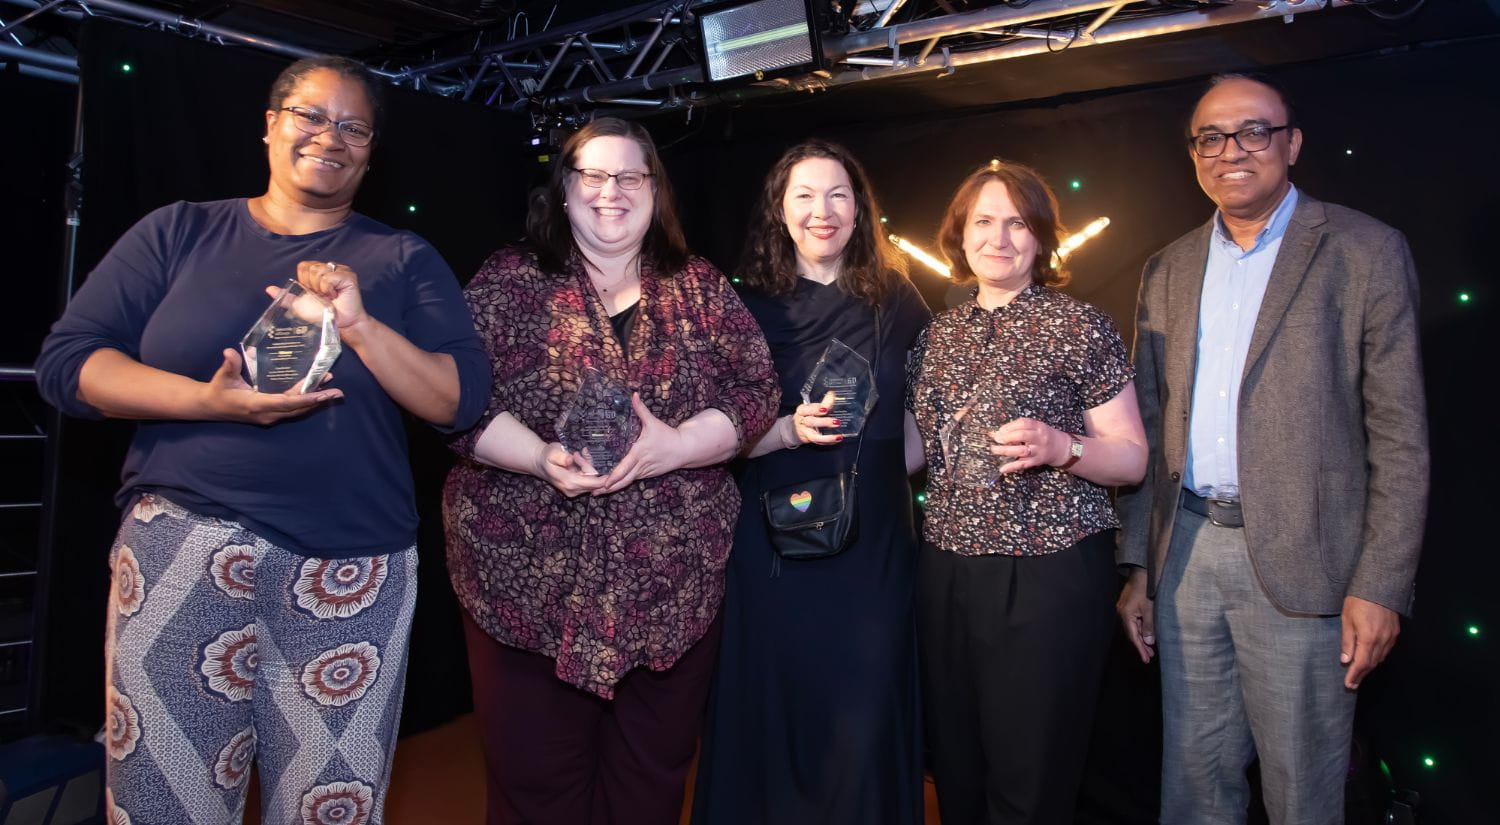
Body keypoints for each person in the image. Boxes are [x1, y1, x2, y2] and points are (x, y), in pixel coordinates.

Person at [33, 56, 489, 825]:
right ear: (271, 125)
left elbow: (460, 401)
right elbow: (69, 364)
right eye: (311, 115)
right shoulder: (179, 231)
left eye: (354, 127)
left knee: (328, 809)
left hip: (353, 568)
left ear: (371, 153)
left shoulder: (403, 258)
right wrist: (205, 401)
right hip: (183, 546)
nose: (330, 136)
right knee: (162, 803)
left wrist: (361, 325)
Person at [442, 117, 779, 825]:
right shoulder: (507, 283)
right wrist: (539, 457)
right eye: (592, 174)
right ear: (563, 190)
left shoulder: (700, 288)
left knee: (647, 790)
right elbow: (454, 402)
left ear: (655, 192)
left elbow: (756, 392)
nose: (611, 191)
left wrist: (679, 445)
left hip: (671, 595)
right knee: (535, 792)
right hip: (525, 596)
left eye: (630, 176)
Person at [1115, 73, 1428, 825]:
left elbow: (1401, 434)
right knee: (1193, 785)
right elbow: (1150, 422)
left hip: (1310, 566)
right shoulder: (1168, 267)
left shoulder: (1365, 251)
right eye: (1211, 138)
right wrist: (1137, 568)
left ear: (1291, 143)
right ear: (1194, 156)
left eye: (1253, 131)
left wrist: (1381, 584)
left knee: (1303, 795)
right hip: (1186, 558)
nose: (1232, 150)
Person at [690, 140, 930, 825]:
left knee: (866, 713)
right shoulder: (743, 307)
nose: (822, 211)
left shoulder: (897, 298)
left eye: (837, 195)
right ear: (779, 208)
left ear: (860, 210)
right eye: (804, 195)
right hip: (772, 544)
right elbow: (715, 439)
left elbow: (916, 429)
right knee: (777, 709)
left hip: (874, 549)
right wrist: (788, 429)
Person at [907, 160, 1148, 825]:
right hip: (946, 569)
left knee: (1030, 776)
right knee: (955, 767)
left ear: (1041, 238)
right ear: (960, 235)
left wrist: (1061, 448)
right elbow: (914, 449)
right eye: (983, 221)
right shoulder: (934, 336)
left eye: (1018, 223)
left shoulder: (1079, 325)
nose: (1000, 237)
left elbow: (1130, 457)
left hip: (1048, 570)